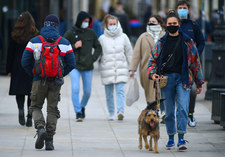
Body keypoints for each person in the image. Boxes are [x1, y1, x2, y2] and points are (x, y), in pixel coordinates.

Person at [147, 10, 204, 150]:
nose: (172, 25)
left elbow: (196, 63)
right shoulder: (161, 42)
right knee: (170, 111)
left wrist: (199, 82)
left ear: (179, 24)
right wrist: (152, 73)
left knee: (183, 109)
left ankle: (182, 139)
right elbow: (152, 61)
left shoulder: (188, 42)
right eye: (169, 24)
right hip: (166, 80)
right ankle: (171, 138)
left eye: (174, 23)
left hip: (184, 78)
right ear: (166, 25)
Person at [21, 14, 75, 150]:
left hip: (38, 80)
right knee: (52, 109)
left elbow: (24, 62)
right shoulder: (64, 42)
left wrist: (34, 73)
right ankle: (49, 141)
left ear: (44, 24)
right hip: (56, 81)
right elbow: (72, 63)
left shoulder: (34, 41)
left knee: (35, 107)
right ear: (56, 26)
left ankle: (40, 128)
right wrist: (61, 74)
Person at [64, 11, 102, 122]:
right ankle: (78, 112)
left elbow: (98, 47)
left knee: (87, 91)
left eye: (88, 21)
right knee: (75, 88)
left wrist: (93, 59)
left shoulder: (91, 33)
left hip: (88, 66)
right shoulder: (70, 33)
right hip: (74, 66)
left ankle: (82, 106)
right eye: (85, 21)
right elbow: (62, 47)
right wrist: (73, 46)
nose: (86, 23)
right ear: (80, 20)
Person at [129, 15, 165, 120]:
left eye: (153, 22)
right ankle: (152, 112)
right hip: (147, 70)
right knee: (149, 92)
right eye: (149, 22)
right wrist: (132, 69)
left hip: (162, 69)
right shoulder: (143, 37)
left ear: (159, 23)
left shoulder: (165, 35)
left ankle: (161, 112)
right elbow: (136, 54)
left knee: (161, 92)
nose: (151, 23)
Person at [6, 11, 39, 127]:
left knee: (19, 91)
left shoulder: (15, 35)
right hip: (31, 65)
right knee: (31, 92)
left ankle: (20, 109)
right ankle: (29, 117)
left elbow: (10, 54)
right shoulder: (35, 35)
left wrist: (8, 69)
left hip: (17, 66)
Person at [176, 0, 205, 127]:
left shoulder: (193, 25)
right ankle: (177, 114)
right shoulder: (173, 24)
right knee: (176, 90)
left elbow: (201, 42)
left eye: (184, 8)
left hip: (191, 66)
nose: (182, 10)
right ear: (177, 10)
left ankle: (190, 114)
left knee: (192, 90)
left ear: (188, 10)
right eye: (180, 8)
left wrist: (195, 55)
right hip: (176, 64)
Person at [98, 14, 132, 121]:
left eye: (114, 24)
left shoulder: (124, 37)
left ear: (118, 24)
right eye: (110, 24)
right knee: (109, 94)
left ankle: (120, 111)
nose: (112, 26)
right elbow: (98, 54)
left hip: (121, 68)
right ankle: (111, 112)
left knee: (120, 91)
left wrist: (132, 68)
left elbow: (129, 53)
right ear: (107, 25)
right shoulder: (102, 39)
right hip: (107, 69)